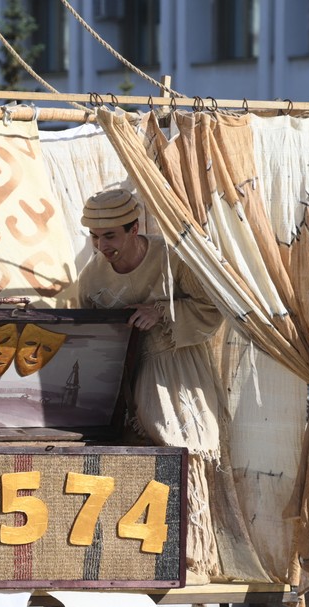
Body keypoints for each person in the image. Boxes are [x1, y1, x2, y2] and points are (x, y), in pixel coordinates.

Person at [76, 188, 232, 582]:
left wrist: (161, 311)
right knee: (137, 457)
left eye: (109, 235)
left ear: (134, 228)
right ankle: (143, 552)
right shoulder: (91, 277)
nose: (101, 245)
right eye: (95, 237)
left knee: (184, 444)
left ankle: (195, 558)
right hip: (125, 374)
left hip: (178, 364)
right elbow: (85, 332)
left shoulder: (171, 257)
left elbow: (213, 306)